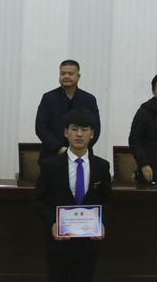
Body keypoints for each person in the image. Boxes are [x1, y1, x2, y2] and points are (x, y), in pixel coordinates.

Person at [32, 109, 112, 282]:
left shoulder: (101, 166)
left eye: (84, 130)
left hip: (88, 242)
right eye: (74, 129)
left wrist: (101, 221)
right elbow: (38, 199)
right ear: (66, 132)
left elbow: (107, 200)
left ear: (92, 134)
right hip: (59, 241)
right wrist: (53, 222)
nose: (79, 134)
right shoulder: (50, 165)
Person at [35, 60, 101, 162]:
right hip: (52, 155)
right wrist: (58, 148)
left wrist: (79, 149)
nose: (66, 76)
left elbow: (95, 128)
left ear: (78, 77)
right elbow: (41, 127)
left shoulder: (89, 99)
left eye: (70, 74)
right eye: (63, 73)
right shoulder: (48, 98)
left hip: (81, 155)